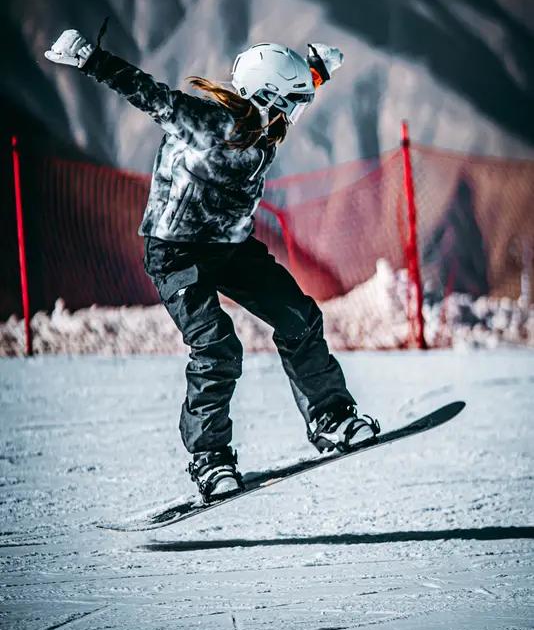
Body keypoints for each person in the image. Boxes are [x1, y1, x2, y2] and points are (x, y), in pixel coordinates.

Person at [44, 30, 380, 503]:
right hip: (176, 253)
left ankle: (331, 417)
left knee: (299, 318)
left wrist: (318, 69)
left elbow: (295, 90)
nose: (295, 113)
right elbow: (148, 93)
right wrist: (88, 58)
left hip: (230, 246)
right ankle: (210, 458)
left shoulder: (266, 123)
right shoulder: (202, 121)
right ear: (268, 97)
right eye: (291, 102)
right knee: (217, 347)